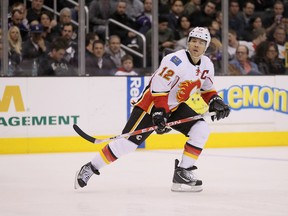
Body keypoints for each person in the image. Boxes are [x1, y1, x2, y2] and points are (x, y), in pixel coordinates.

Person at [75, 27, 230, 192]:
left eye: (201, 42)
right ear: (188, 42)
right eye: (193, 41)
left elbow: (207, 89)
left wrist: (215, 100)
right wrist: (160, 113)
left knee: (200, 128)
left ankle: (182, 172)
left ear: (206, 46)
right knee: (127, 145)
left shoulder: (207, 65)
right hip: (151, 105)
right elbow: (159, 88)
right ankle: (90, 168)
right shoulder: (175, 61)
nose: (196, 45)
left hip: (175, 106)